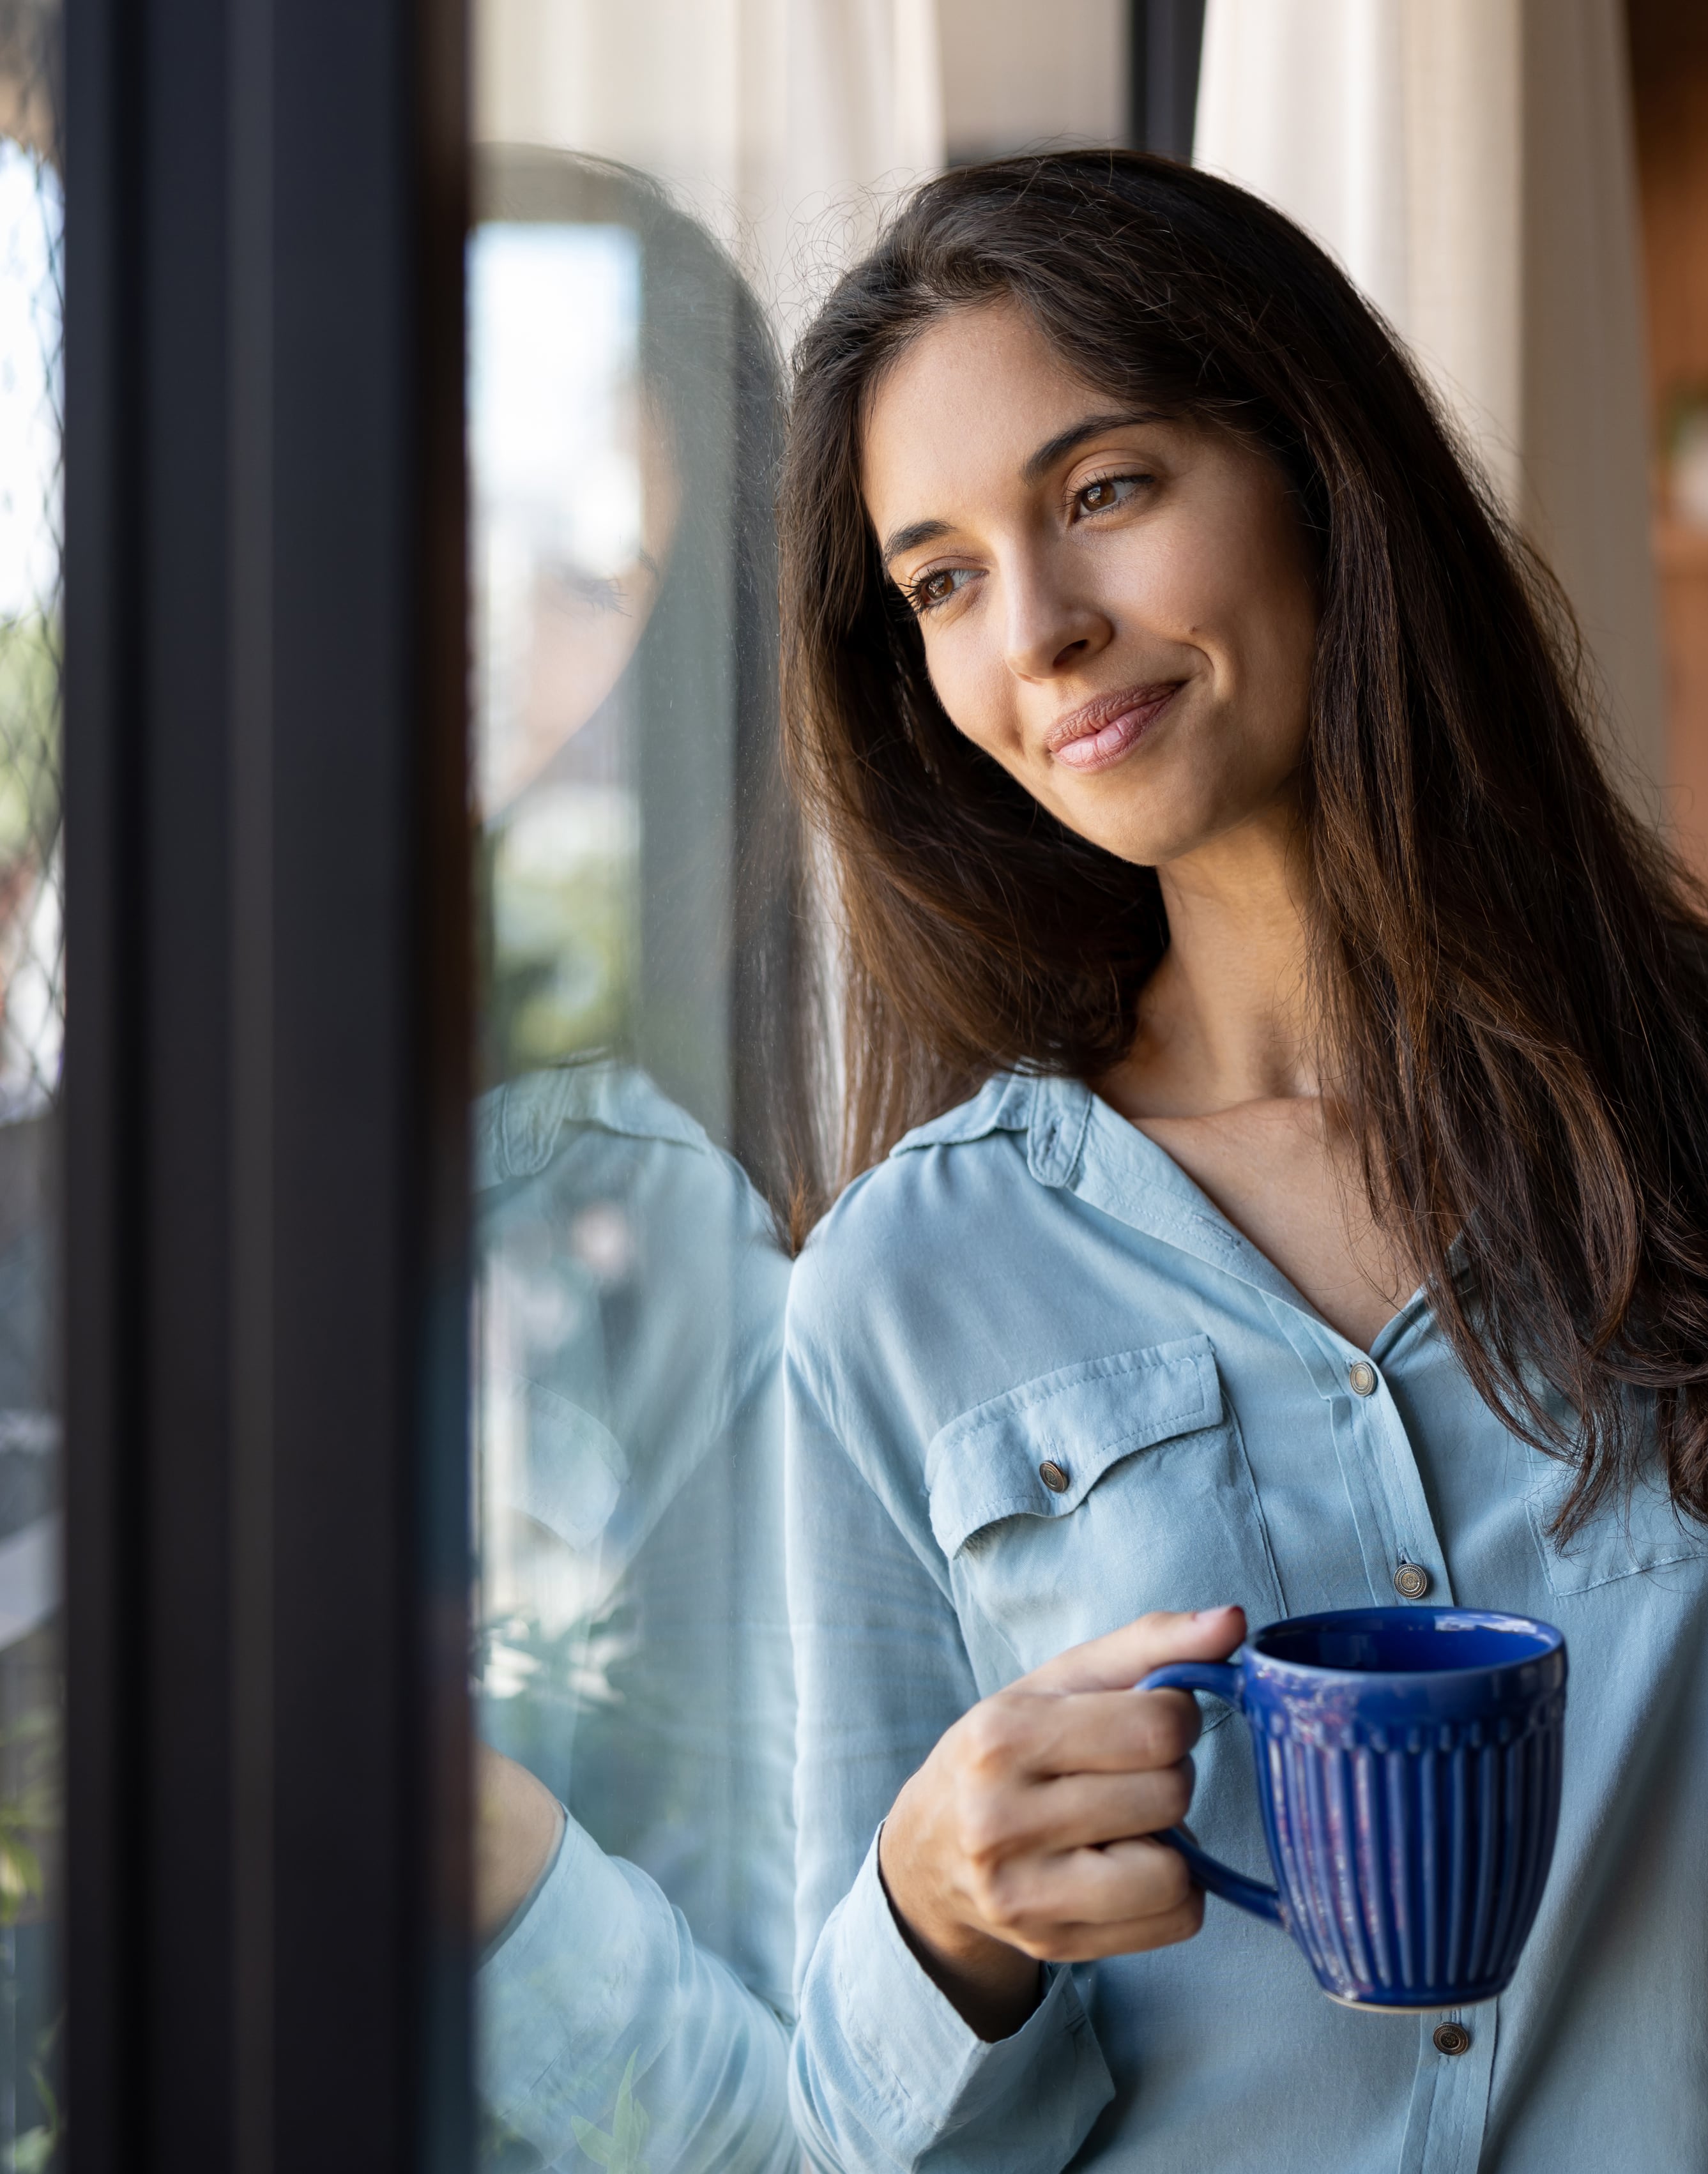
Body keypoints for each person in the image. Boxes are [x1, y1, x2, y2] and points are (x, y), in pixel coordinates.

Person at [776, 150, 1708, 2173]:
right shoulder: (898, 1282)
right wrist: (939, 1917)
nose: (1038, 629)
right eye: (941, 579)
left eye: (1104, 490)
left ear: (1320, 470)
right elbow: (849, 2130)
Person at [466, 145, 817, 2173]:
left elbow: (782, 2123)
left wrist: (483, 1852)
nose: (483, 620)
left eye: (588, 576)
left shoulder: (657, 1249)